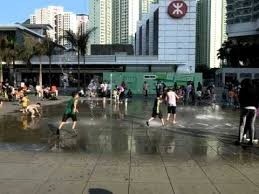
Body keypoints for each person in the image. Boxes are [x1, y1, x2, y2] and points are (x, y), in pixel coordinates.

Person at [236, 79, 259, 145]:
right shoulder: (255, 90)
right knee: (252, 125)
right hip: (253, 108)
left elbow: (240, 99)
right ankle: (251, 141)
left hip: (245, 108)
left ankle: (239, 140)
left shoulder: (242, 89)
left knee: (242, 124)